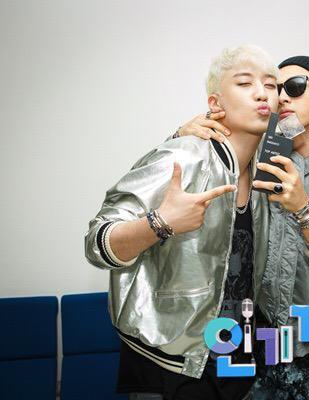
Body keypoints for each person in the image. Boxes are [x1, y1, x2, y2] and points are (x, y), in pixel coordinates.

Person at [174, 56, 309, 400]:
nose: (282, 97)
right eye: (276, 88)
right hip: (257, 348)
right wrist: (184, 136)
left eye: (296, 87)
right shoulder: (253, 156)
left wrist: (305, 209)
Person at [84, 44, 279, 400]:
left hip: (235, 361)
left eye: (270, 84)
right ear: (215, 103)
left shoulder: (268, 176)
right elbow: (97, 243)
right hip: (168, 363)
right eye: (244, 83)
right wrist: (160, 223)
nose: (262, 93)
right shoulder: (182, 157)